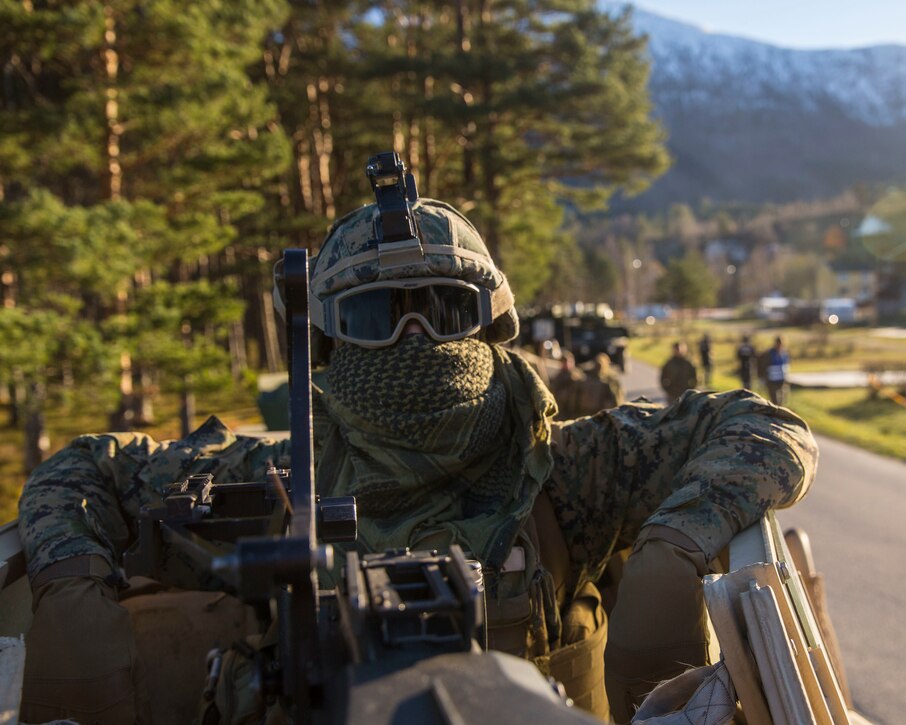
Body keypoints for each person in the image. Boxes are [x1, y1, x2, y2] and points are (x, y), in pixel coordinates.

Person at [18, 170, 817, 724]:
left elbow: (766, 428)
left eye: (441, 306)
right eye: (379, 314)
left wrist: (671, 547)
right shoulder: (271, 482)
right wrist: (71, 590)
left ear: (488, 322)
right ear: (331, 341)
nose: (415, 335)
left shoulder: (569, 467)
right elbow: (83, 469)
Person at [763, 336, 791, 405]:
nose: (779, 345)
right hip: (772, 380)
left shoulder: (784, 353)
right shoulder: (769, 353)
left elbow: (786, 365)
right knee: (774, 401)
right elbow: (764, 366)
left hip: (781, 380)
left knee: (782, 400)